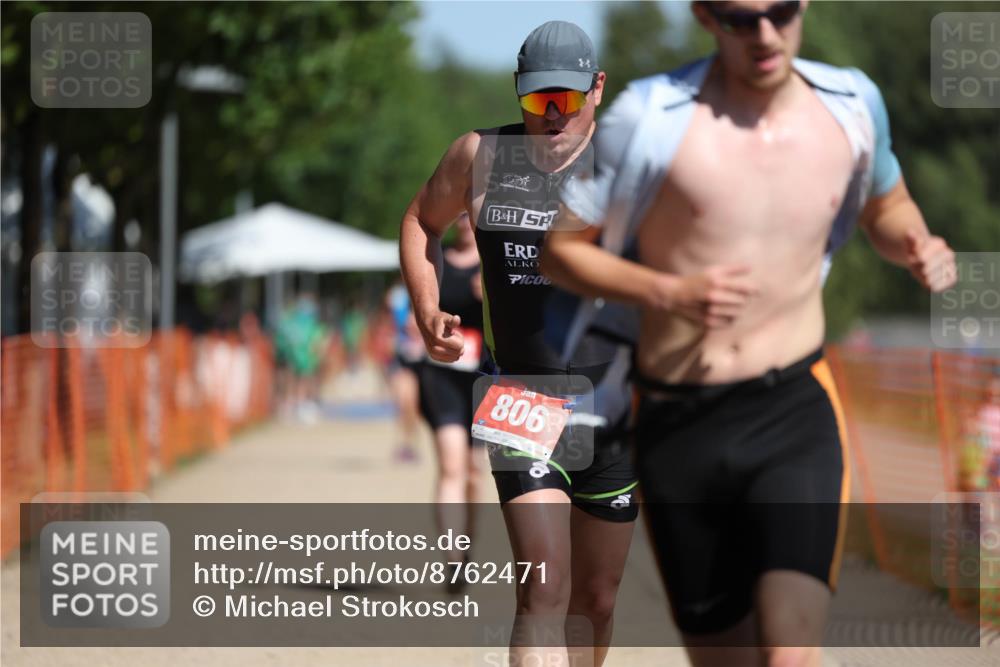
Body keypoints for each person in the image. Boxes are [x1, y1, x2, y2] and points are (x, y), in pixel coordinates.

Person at [540, 2, 958, 666]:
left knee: (790, 651)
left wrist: (914, 240)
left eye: (779, 11)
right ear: (706, 15)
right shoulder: (647, 118)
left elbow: (888, 204)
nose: (764, 34)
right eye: (739, 18)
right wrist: (668, 291)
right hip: (679, 424)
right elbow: (558, 252)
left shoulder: (851, 105)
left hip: (793, 409)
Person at [399, 21, 637, 666]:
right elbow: (422, 218)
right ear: (517, 93)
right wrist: (427, 307)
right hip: (522, 395)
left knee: (597, 600)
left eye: (567, 97)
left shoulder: (631, 163)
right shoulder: (479, 156)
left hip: (616, 402)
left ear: (597, 88)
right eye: (537, 100)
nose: (553, 115)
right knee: (545, 589)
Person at [415, 212, 488, 588]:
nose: (465, 219)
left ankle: (466, 550)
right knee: (451, 467)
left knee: (475, 476)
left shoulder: (497, 260)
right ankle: (452, 559)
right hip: (442, 374)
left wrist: (489, 294)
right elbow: (417, 311)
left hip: (484, 377)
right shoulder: (435, 259)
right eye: (459, 213)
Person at [385, 282, 424, 463]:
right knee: (405, 402)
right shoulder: (396, 296)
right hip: (402, 358)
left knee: (414, 406)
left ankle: (411, 444)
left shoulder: (430, 288)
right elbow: (389, 324)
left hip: (423, 359)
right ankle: (405, 444)